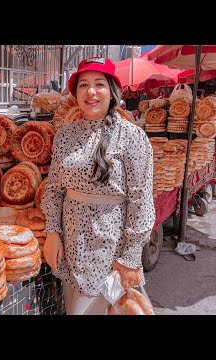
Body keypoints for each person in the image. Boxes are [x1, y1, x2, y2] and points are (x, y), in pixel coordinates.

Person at [41, 57, 155, 315]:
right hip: (72, 247)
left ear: (112, 91)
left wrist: (130, 257)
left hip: (112, 251)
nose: (91, 92)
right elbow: (54, 189)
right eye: (83, 85)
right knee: (75, 307)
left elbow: (141, 200)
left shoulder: (132, 136)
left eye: (99, 84)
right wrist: (53, 232)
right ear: (75, 93)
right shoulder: (65, 135)